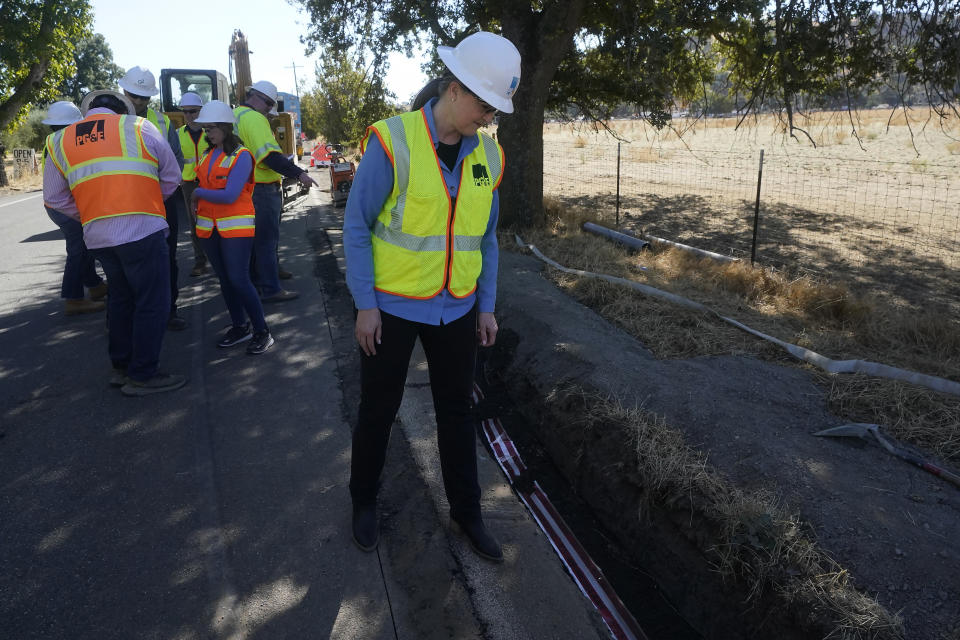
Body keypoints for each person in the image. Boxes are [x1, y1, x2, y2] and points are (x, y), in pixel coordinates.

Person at [343, 31, 521, 562]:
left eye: (494, 109)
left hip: (458, 310)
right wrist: (365, 305)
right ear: (453, 88)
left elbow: (485, 237)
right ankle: (363, 501)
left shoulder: (490, 155)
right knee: (378, 408)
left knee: (457, 413)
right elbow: (356, 225)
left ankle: (467, 513)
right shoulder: (392, 141)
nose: (487, 118)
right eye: (483, 105)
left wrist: (485, 305)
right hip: (391, 309)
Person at [44, 89, 186, 396]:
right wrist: (149, 201)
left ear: (89, 111)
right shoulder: (139, 127)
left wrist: (91, 215)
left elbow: (54, 198)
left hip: (98, 237)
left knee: (121, 299)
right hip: (142, 230)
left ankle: (121, 368)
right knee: (152, 302)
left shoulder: (59, 141)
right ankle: (143, 375)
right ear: (122, 110)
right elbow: (173, 176)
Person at [190, 101, 274, 355]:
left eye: (212, 128)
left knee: (238, 278)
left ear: (226, 127)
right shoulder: (207, 154)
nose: (208, 133)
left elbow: (230, 195)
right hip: (209, 227)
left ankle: (262, 331)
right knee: (225, 280)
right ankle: (240, 326)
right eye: (205, 128)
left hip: (235, 228)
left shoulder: (242, 155)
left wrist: (197, 193)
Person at [233, 80, 317, 303]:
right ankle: (271, 288)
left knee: (253, 241)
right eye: (269, 105)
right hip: (261, 188)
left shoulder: (236, 116)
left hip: (245, 188)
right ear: (256, 97)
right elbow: (269, 156)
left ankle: (257, 282)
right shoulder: (254, 119)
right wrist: (300, 174)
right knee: (266, 242)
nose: (270, 111)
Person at [119, 65, 188, 331]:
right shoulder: (111, 121)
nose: (138, 102)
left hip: (160, 200)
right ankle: (127, 316)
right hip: (124, 201)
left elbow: (176, 161)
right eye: (134, 95)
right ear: (124, 91)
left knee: (166, 259)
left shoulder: (162, 121)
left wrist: (159, 194)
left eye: (144, 97)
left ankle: (169, 311)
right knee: (125, 261)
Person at [40, 101, 107, 315]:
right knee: (78, 251)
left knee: (84, 248)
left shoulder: (53, 141)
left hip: (60, 203)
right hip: (63, 205)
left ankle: (95, 286)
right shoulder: (62, 142)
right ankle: (74, 299)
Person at [177, 92, 210, 277]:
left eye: (193, 111)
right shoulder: (177, 134)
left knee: (215, 220)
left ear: (201, 111)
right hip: (189, 184)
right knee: (194, 224)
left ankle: (218, 259)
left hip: (210, 182)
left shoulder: (210, 132)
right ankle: (200, 261)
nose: (189, 115)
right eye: (186, 112)